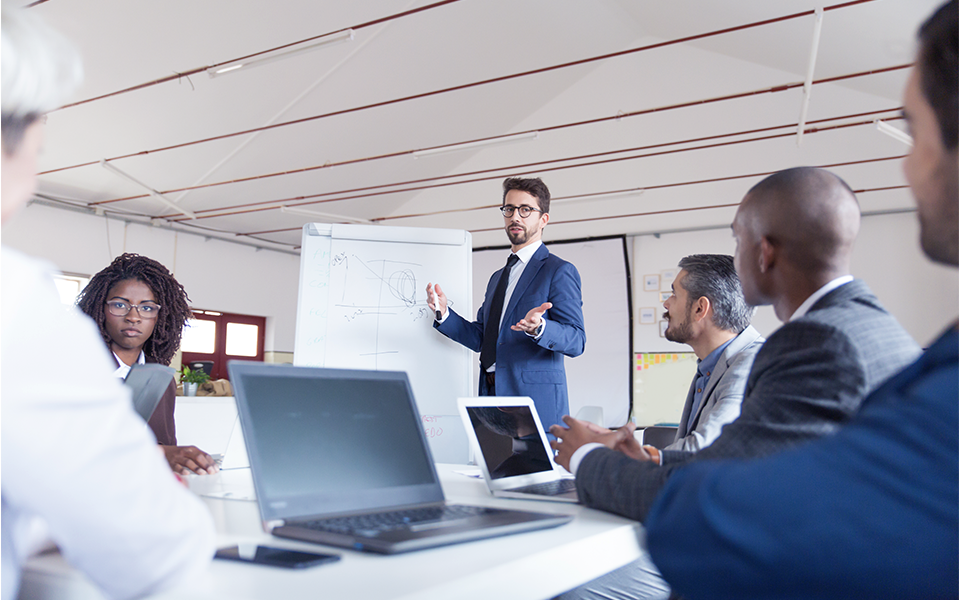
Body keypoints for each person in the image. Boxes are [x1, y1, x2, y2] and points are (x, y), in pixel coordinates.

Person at [644, 2, 959, 598]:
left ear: (764, 252)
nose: (907, 164)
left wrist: (610, 465)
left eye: (914, 132)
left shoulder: (818, 342)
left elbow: (725, 518)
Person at [551, 166, 921, 525]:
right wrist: (648, 460)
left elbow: (713, 489)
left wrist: (587, 456)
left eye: (738, 240)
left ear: (765, 251)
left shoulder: (815, 343)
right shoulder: (870, 325)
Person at [0, 4, 215, 600]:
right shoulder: (17, 310)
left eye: (147, 308)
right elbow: (152, 551)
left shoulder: (153, 375)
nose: (134, 317)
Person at [427, 177, 586, 432]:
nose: (515, 217)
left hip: (533, 402)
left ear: (543, 219)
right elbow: (483, 338)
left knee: (535, 471)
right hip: (490, 398)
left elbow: (577, 341)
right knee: (495, 470)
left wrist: (539, 328)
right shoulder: (497, 278)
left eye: (525, 210)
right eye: (509, 209)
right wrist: (444, 313)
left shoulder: (559, 271)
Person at [77, 253, 219, 476]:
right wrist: (162, 454)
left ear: (160, 317)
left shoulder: (161, 379)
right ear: (99, 310)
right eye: (119, 304)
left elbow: (168, 446)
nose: (133, 316)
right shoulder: (78, 372)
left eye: (147, 308)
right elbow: (73, 450)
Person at [652, 254, 763, 458]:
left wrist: (618, 459)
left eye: (674, 294)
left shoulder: (753, 362)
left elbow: (706, 448)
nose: (666, 304)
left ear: (700, 308)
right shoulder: (709, 365)